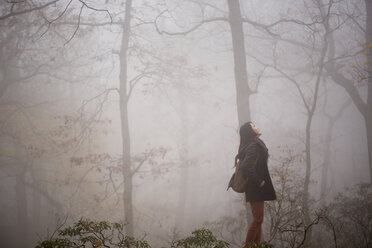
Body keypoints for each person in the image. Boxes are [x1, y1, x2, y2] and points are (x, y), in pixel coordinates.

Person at [235, 121, 276, 247]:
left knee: (259, 219)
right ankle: (247, 246)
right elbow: (247, 166)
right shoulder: (253, 145)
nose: (257, 127)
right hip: (255, 186)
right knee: (258, 219)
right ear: (250, 131)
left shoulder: (254, 144)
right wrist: (260, 182)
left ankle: (255, 246)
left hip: (254, 187)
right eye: (254, 126)